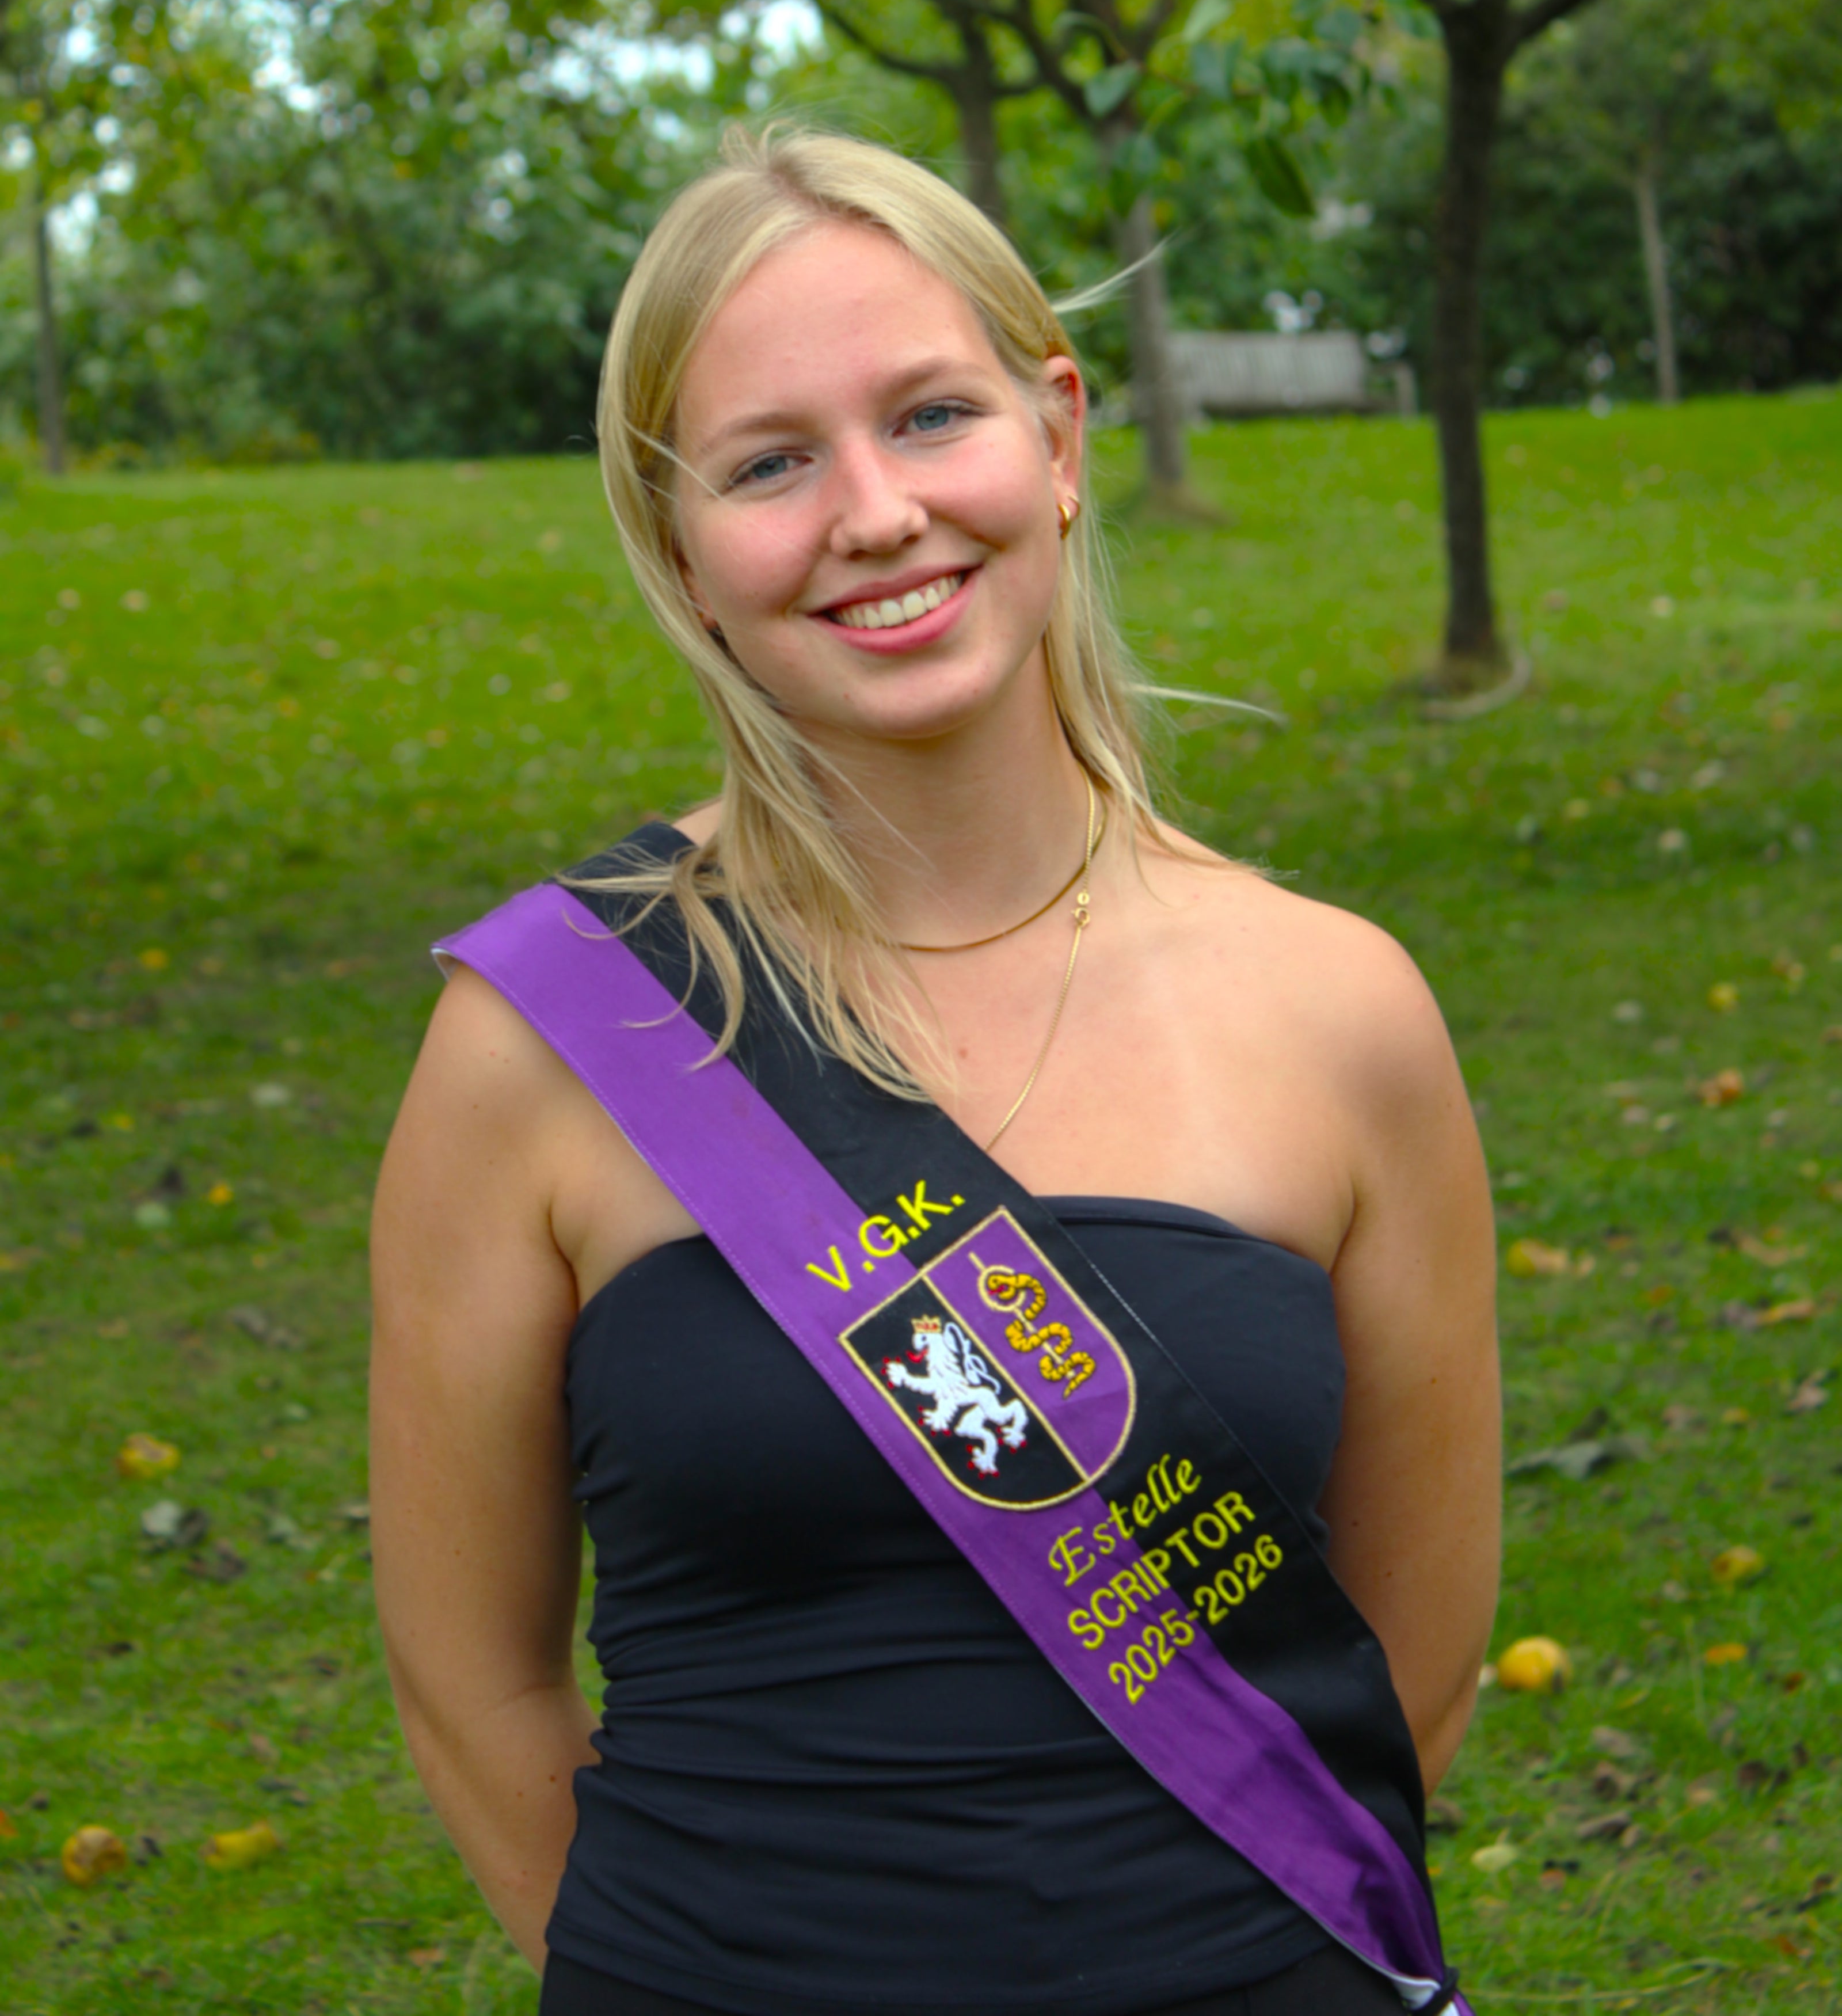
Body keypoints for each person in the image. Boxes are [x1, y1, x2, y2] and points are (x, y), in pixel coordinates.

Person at [370, 126, 1500, 2016]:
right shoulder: (548, 1041)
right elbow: (470, 1687)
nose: (876, 513)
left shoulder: (1339, 1011)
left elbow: (1412, 1669)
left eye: (930, 417)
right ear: (679, 548)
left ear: (1058, 437)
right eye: (770, 463)